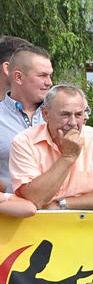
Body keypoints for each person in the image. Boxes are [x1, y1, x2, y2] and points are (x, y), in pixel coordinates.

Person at [10, 85, 93, 210]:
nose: (73, 122)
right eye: (65, 115)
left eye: (78, 114)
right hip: (37, 227)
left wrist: (62, 204)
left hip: (85, 226)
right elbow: (35, 199)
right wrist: (68, 156)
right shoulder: (25, 142)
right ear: (45, 114)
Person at [0, 45, 52, 192]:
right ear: (18, 77)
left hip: (58, 210)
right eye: (42, 75)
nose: (49, 82)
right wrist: (13, 190)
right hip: (11, 212)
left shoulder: (62, 116)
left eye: (50, 75)